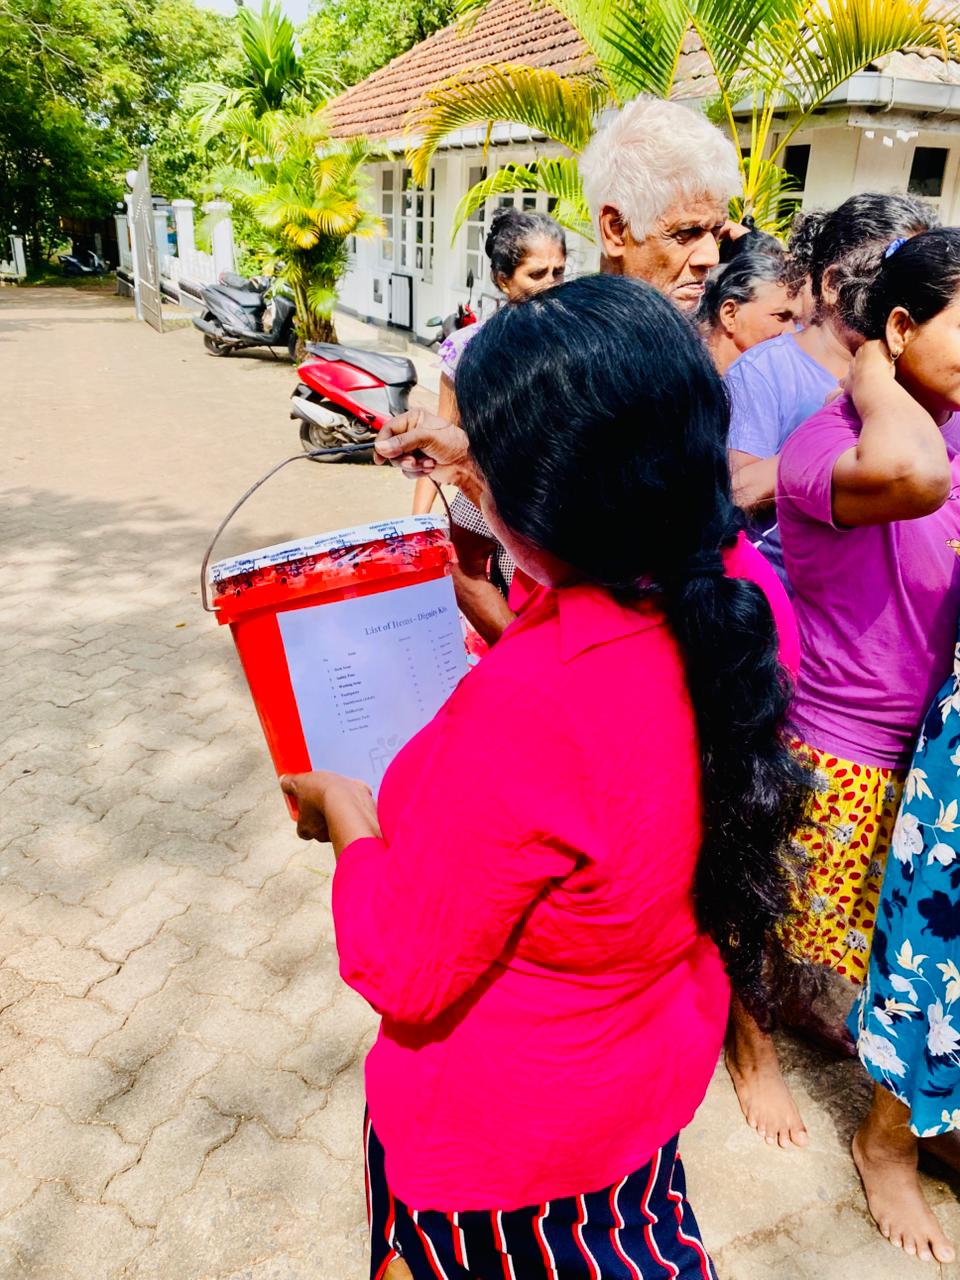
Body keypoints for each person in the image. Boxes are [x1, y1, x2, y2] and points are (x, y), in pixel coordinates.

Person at [280, 274, 808, 1280]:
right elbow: (597, 580)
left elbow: (403, 964)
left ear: (542, 502)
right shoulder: (739, 602)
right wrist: (486, 469)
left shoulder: (532, 705)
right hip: (638, 1089)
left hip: (503, 1147)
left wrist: (348, 812)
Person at [726, 230, 960, 1188]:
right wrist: (872, 373)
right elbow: (914, 478)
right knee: (767, 913)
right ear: (900, 327)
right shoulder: (827, 443)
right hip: (837, 741)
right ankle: (751, 1049)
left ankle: (820, 1025)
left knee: (874, 935)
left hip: (927, 747)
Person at [726, 193, 935, 586]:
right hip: (785, 601)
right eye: (896, 283)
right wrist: (824, 445)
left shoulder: (911, 373)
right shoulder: (765, 371)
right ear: (835, 284)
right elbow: (737, 491)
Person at [413, 207, 566, 646]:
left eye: (558, 271)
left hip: (555, 502)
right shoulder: (467, 349)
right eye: (536, 274)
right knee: (463, 569)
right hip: (483, 491)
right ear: (503, 279)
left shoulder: (578, 342)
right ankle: (513, 656)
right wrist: (417, 524)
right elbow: (439, 435)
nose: (551, 284)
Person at [578, 95, 743, 312]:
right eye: (686, 232)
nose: (712, 257)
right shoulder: (560, 332)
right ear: (616, 229)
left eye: (716, 231)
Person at [697, 247, 798, 374]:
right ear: (730, 314)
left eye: (796, 320)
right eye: (781, 316)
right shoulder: (684, 378)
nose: (792, 331)